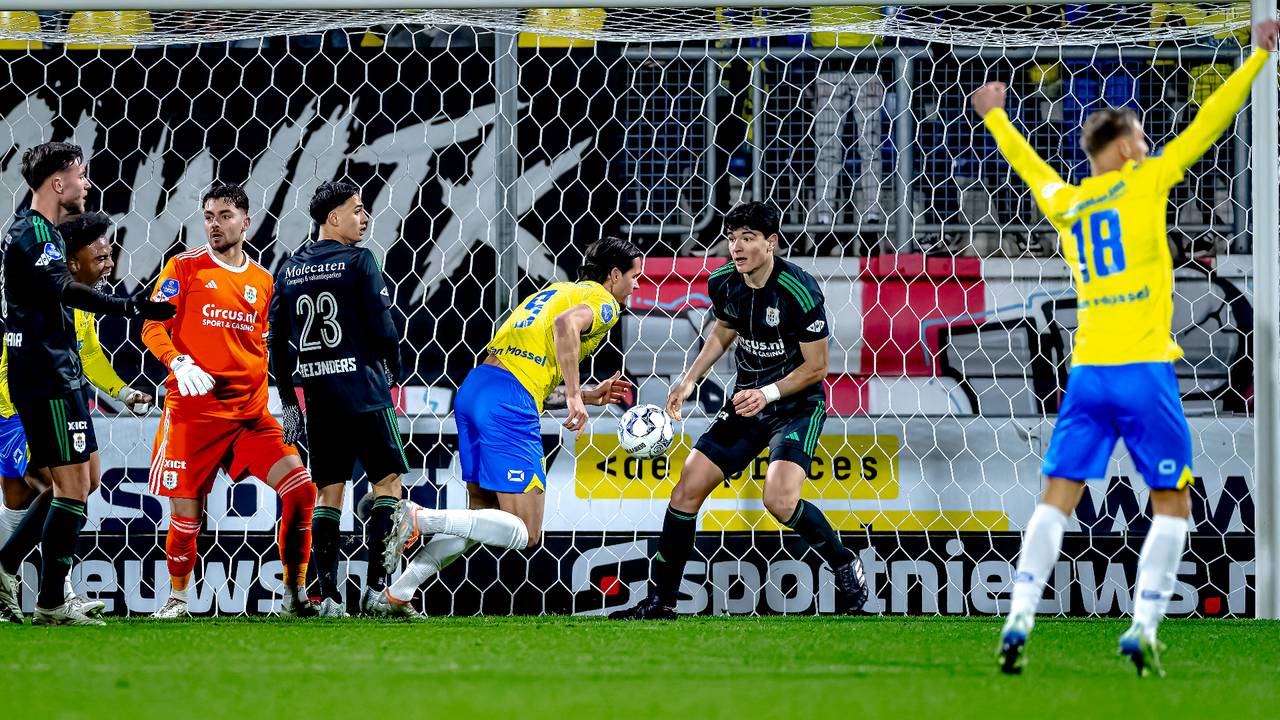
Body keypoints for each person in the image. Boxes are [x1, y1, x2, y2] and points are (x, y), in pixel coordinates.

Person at [973, 19, 1279, 677]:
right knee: (1173, 503)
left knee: (1057, 497)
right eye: (1140, 137)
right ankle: (1143, 626)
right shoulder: (1145, 181)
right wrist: (1256, 57)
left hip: (1087, 374)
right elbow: (1210, 123)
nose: (1148, 145)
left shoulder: (1067, 202)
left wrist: (996, 117)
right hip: (1143, 371)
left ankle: (1019, 615)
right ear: (1119, 148)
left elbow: (1029, 168)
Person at [611, 202, 868, 620]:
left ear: (771, 243)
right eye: (732, 239)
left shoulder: (799, 289)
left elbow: (817, 367)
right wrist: (689, 379)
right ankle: (662, 601)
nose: (737, 247)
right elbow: (725, 328)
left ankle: (843, 561)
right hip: (748, 403)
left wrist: (768, 393)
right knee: (686, 490)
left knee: (779, 500)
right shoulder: (724, 281)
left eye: (748, 238)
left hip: (797, 407)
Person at [374, 237, 640, 616]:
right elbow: (566, 326)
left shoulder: (555, 291)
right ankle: (419, 517)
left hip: (477, 388)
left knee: (479, 518)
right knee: (526, 531)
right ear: (614, 275)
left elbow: (530, 367)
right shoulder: (603, 302)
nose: (636, 285)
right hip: (507, 402)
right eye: (634, 276)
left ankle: (397, 594)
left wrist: (584, 394)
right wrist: (575, 396)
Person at [0, 142, 175, 625]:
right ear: (58, 183)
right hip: (44, 376)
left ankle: (9, 567)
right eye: (81, 176)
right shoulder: (33, 232)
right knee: (69, 488)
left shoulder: (42, 233)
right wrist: (131, 307)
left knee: (86, 479)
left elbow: (75, 325)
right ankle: (51, 601)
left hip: (61, 374)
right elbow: (63, 290)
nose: (87, 184)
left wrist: (116, 388)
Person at [144, 182, 316, 619]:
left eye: (224, 216)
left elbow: (269, 347)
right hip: (193, 416)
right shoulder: (184, 267)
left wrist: (289, 403)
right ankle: (177, 599)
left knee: (301, 490)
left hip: (249, 417)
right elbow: (152, 326)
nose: (214, 225)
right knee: (187, 519)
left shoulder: (263, 281)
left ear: (246, 222)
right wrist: (178, 362)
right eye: (208, 217)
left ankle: (294, 594)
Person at [270, 181, 406, 617]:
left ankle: (326, 596)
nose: (364, 217)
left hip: (320, 399)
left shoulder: (289, 269)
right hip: (364, 392)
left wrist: (290, 401)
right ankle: (377, 592)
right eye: (357, 209)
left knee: (329, 493)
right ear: (333, 217)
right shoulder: (360, 259)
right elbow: (382, 323)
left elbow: (276, 344)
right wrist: (394, 367)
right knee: (387, 484)